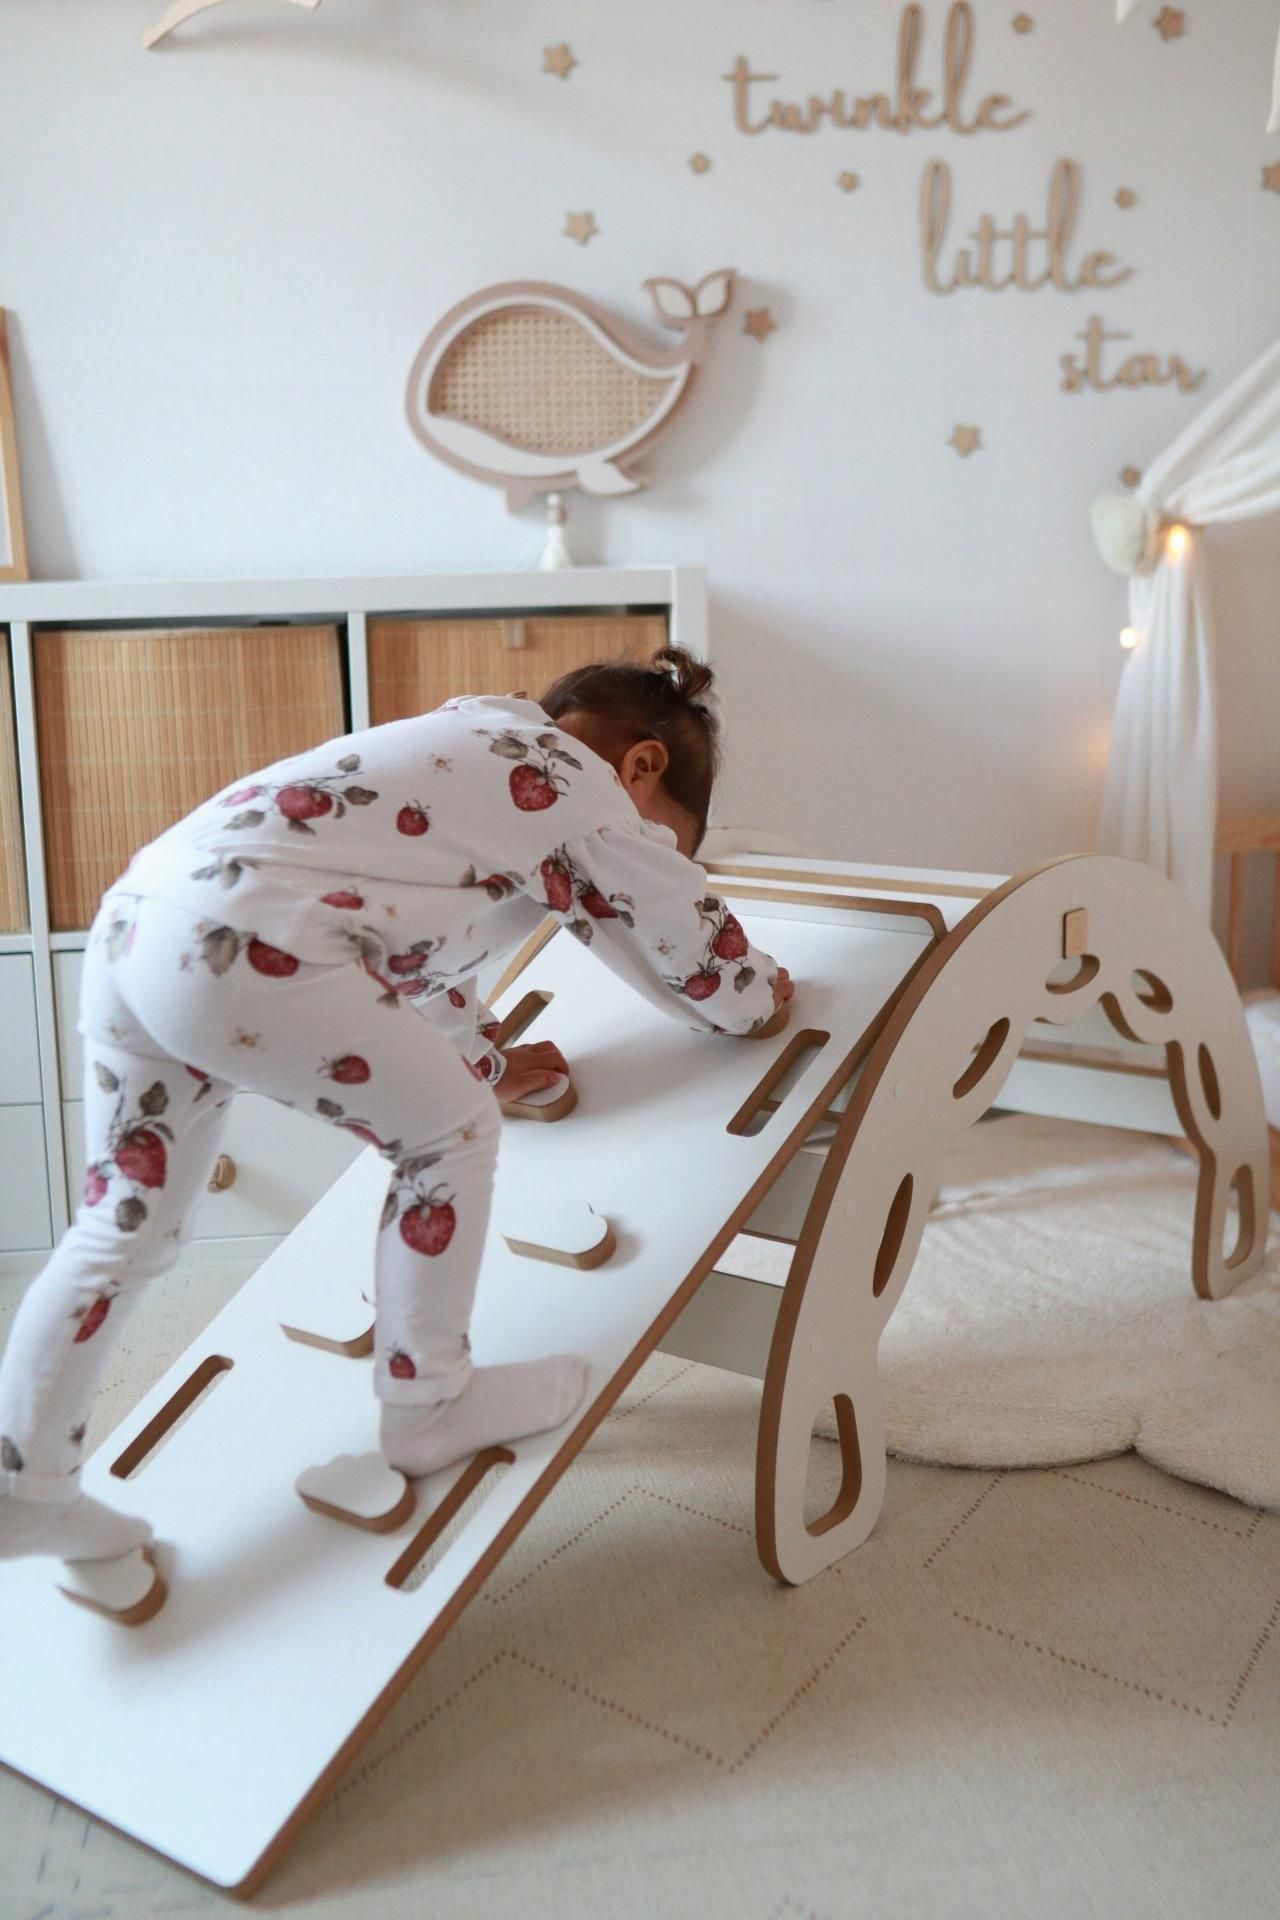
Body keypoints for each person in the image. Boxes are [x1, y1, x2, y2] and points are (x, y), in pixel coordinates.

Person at [0, 647, 791, 1578]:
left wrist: (482, 1061)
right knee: (447, 1139)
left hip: (142, 922)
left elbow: (420, 956)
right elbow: (679, 938)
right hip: (252, 939)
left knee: (119, 1226)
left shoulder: (461, 750)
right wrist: (756, 994)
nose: (651, 849)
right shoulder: (575, 784)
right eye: (666, 837)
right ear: (641, 766)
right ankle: (430, 1402)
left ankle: (26, 1490)